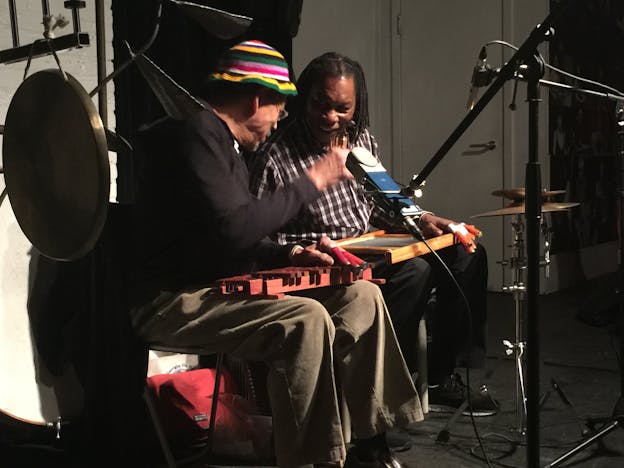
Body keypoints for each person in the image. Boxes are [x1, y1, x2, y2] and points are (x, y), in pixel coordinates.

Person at [128, 40, 423, 468]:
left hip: (215, 287)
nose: (280, 117)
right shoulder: (198, 135)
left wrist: (293, 253)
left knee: (361, 295)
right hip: (171, 301)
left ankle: (370, 439)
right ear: (255, 98)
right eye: (278, 106)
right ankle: (314, 458)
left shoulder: (224, 146)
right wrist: (311, 181)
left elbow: (237, 237)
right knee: (306, 321)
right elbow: (235, 231)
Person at [248, 52, 497, 416]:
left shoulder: (359, 140)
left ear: (356, 107)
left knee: (467, 253)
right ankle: (370, 394)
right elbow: (257, 234)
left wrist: (423, 217)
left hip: (370, 243)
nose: (330, 117)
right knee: (416, 273)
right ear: (305, 97)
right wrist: (301, 250)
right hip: (324, 258)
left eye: (342, 108)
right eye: (321, 103)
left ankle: (438, 377)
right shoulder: (276, 154)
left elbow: (385, 202)